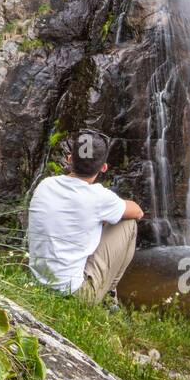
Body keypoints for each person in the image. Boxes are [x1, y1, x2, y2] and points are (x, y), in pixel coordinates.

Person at [26, 130, 143, 305]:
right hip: (75, 294)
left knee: (105, 219)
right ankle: (109, 299)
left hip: (38, 280)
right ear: (104, 167)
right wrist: (108, 215)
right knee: (128, 223)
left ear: (69, 159)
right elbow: (138, 212)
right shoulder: (99, 197)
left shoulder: (45, 185)